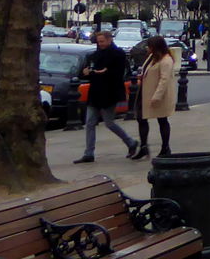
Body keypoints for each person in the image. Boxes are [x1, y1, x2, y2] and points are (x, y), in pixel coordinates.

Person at [74, 31, 139, 164]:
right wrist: (87, 73)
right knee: (90, 122)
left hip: (110, 92)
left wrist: (105, 72)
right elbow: (88, 71)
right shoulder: (95, 54)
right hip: (95, 92)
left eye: (102, 41)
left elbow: (119, 73)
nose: (100, 44)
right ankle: (89, 153)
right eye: (98, 41)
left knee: (109, 122)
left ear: (109, 40)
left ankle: (130, 142)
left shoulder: (118, 54)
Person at [131, 35, 178, 160]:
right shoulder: (152, 57)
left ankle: (165, 147)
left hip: (158, 95)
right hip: (146, 92)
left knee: (162, 120)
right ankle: (144, 146)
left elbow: (164, 79)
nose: (148, 48)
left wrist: (157, 96)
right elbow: (146, 70)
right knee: (141, 118)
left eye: (150, 46)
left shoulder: (166, 60)